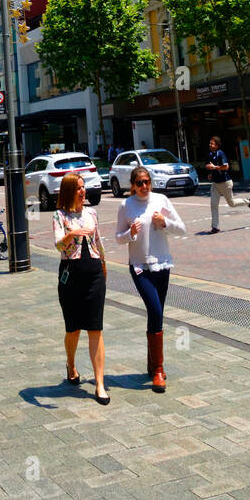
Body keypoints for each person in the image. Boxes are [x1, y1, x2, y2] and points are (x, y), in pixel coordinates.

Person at [116, 164, 187, 393]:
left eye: (147, 182)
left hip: (163, 263)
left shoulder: (161, 200)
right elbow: (118, 238)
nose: (144, 186)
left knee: (157, 313)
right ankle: (158, 369)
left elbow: (182, 229)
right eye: (139, 183)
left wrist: (164, 223)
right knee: (155, 310)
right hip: (139, 266)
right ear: (132, 186)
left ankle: (151, 363)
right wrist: (130, 233)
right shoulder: (125, 205)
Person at [53, 174, 109, 404]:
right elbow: (58, 244)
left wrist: (104, 264)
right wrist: (71, 234)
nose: (82, 191)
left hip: (94, 272)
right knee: (73, 328)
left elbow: (98, 241)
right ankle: (71, 365)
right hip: (71, 275)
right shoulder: (60, 215)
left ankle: (100, 384)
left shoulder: (91, 213)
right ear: (68, 191)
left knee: (95, 328)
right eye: (78, 188)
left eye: (83, 187)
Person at [205, 135, 250, 233]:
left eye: (212, 143)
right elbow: (212, 167)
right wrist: (210, 174)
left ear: (217, 145)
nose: (210, 145)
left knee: (231, 203)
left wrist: (214, 167)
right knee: (213, 205)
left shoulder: (220, 153)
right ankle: (215, 227)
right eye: (210, 143)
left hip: (225, 183)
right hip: (215, 183)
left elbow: (226, 167)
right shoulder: (211, 154)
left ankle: (248, 202)